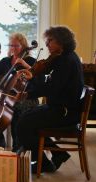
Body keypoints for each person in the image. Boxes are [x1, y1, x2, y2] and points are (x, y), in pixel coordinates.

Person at [16, 26, 84, 173]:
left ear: (62, 40)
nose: (47, 44)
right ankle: (57, 155)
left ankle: (45, 163)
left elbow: (52, 88)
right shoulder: (65, 57)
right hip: (60, 108)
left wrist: (28, 94)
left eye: (50, 40)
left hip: (65, 113)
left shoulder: (67, 61)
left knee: (23, 124)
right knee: (25, 117)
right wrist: (33, 74)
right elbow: (47, 72)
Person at [0, 33, 39, 149]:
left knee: (17, 109)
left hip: (27, 98)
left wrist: (26, 66)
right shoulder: (6, 61)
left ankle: (18, 147)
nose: (13, 48)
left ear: (24, 46)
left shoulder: (31, 61)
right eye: (11, 45)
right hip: (8, 98)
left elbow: (39, 81)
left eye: (16, 46)